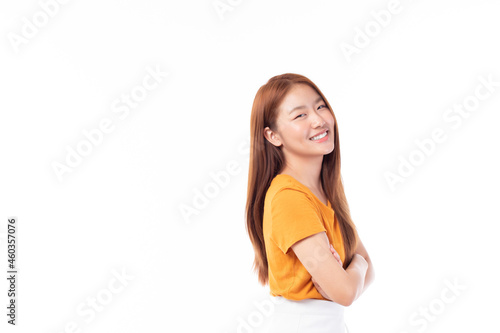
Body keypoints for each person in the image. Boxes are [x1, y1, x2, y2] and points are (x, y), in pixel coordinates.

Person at [245, 73, 375, 332]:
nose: (318, 120)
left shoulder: (326, 190)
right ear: (272, 136)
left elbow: (364, 273)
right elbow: (346, 291)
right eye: (300, 115)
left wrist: (355, 268)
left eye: (320, 106)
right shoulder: (289, 198)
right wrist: (358, 265)